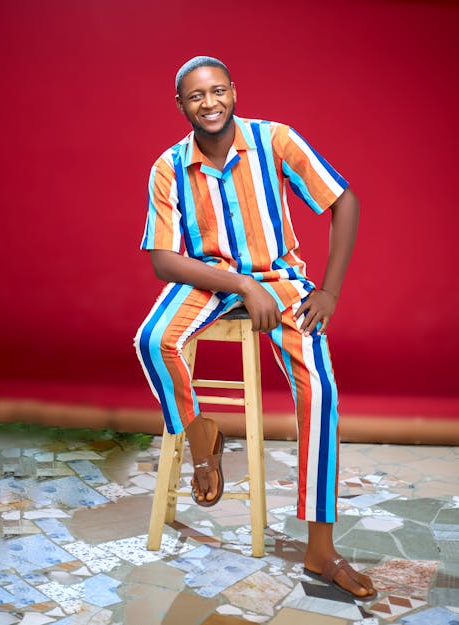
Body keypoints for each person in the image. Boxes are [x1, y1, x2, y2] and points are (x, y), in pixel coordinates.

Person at [134, 56, 375, 600]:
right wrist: (241, 286)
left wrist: (329, 291)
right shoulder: (168, 166)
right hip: (207, 280)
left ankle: (321, 546)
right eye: (196, 96)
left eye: (218, 91)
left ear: (234, 92)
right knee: (153, 338)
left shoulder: (276, 140)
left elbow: (345, 202)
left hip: (283, 280)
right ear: (180, 106)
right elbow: (163, 261)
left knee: (321, 392)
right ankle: (201, 436)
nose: (210, 103)